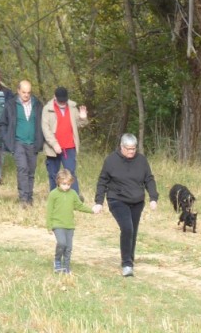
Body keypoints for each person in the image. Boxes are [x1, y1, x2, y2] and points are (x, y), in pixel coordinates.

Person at [93, 133, 159, 277]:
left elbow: (149, 179)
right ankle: (126, 264)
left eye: (133, 149)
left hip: (137, 201)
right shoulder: (111, 160)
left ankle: (130, 257)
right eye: (128, 149)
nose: (131, 151)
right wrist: (99, 202)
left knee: (133, 230)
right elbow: (102, 181)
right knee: (127, 228)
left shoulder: (141, 161)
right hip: (117, 199)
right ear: (121, 147)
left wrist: (153, 197)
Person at [0, 80, 43, 208]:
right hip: (18, 142)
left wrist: (41, 140)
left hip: (33, 143)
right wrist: (7, 140)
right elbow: (2, 124)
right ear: (18, 91)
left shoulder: (37, 104)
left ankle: (29, 196)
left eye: (28, 92)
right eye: (24, 92)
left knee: (31, 171)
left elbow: (43, 124)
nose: (26, 95)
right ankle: (23, 198)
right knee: (22, 168)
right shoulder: (11, 104)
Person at [46, 169, 95, 274]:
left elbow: (79, 206)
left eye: (68, 184)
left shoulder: (73, 193)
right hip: (57, 224)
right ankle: (57, 260)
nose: (66, 187)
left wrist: (91, 210)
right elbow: (49, 210)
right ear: (58, 182)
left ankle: (66, 266)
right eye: (64, 184)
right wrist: (49, 226)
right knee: (61, 243)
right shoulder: (53, 194)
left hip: (69, 225)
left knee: (68, 247)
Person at [42, 86, 89, 195]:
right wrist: (54, 144)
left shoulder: (72, 107)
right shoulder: (47, 109)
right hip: (53, 148)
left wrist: (83, 118)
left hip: (69, 146)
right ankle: (55, 197)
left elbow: (80, 124)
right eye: (60, 101)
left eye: (64, 101)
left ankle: (75, 197)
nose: (62, 103)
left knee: (71, 173)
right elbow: (45, 129)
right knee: (53, 174)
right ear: (55, 97)